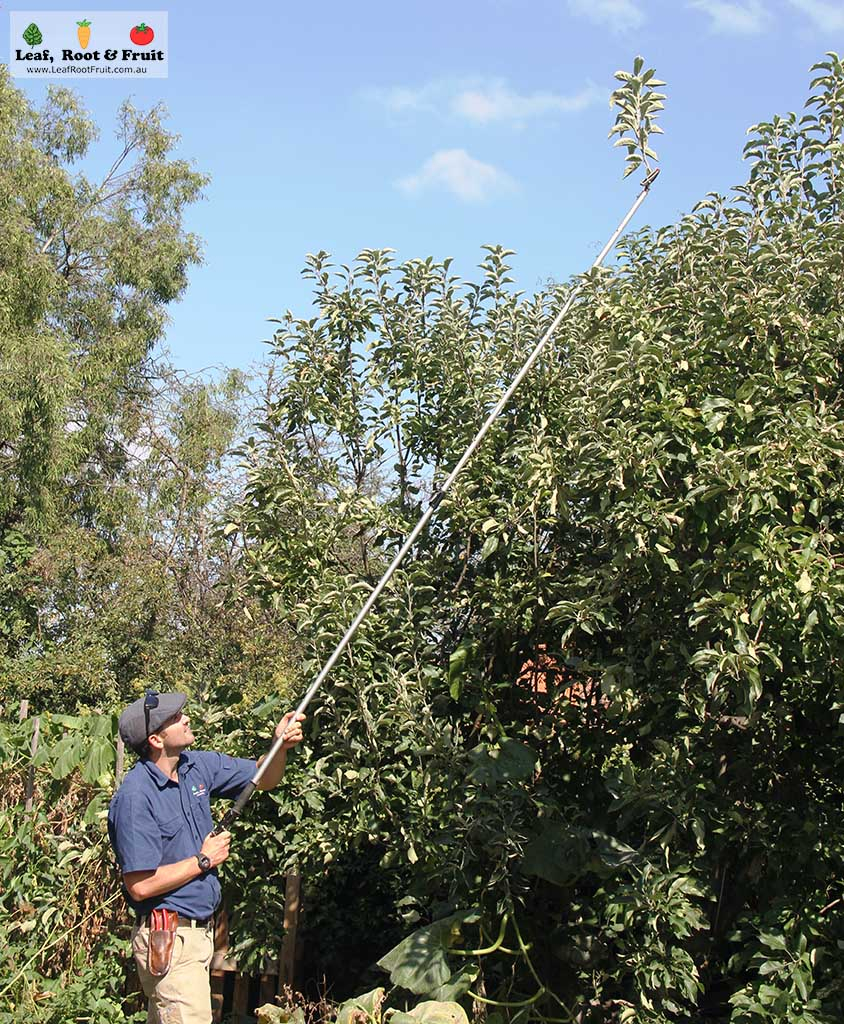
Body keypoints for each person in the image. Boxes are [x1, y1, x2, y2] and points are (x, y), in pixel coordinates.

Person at [108, 690, 304, 1024]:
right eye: (174, 718)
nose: (185, 718)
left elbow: (265, 777)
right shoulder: (135, 796)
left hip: (199, 937)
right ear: (155, 739)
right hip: (170, 940)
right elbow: (140, 886)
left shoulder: (196, 766)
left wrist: (279, 746)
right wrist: (203, 859)